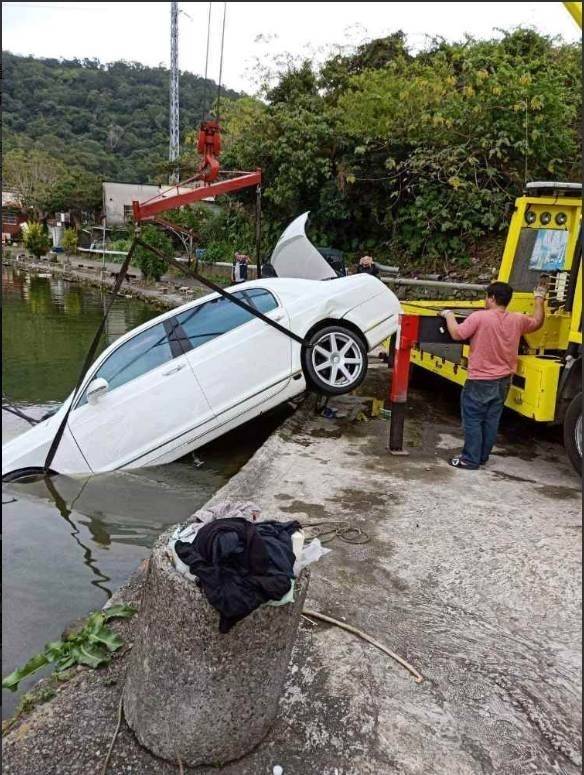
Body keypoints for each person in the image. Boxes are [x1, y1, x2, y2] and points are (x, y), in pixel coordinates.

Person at [440, 280, 546, 470]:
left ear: (492, 298)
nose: (485, 300)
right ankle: (481, 457)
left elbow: (457, 334)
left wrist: (448, 315)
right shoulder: (517, 320)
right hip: (504, 380)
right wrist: (539, 298)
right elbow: (537, 322)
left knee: (473, 419)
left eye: (486, 297)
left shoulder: (479, 317)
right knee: (491, 420)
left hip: (480, 380)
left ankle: (469, 459)